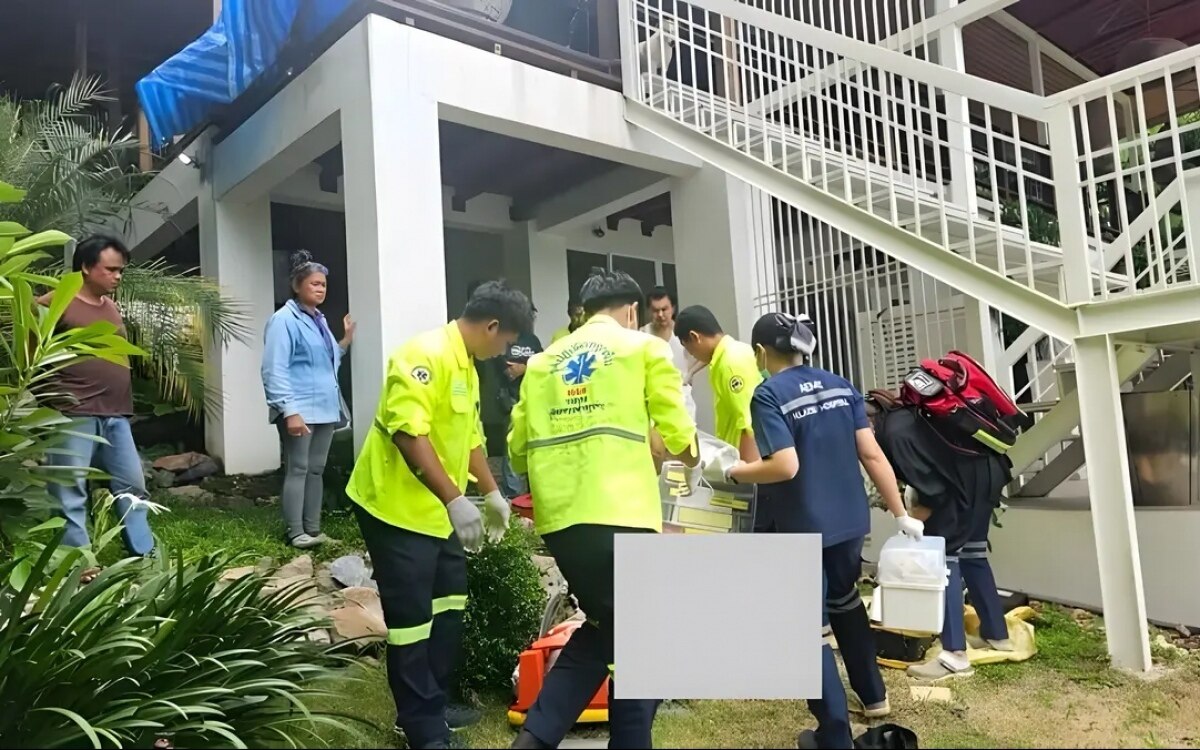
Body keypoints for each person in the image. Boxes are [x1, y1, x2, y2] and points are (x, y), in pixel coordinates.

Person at [507, 270, 699, 750]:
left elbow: (515, 448)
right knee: (645, 634)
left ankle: (534, 739)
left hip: (561, 522)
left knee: (608, 628)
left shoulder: (543, 363)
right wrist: (694, 458)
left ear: (584, 311)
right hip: (624, 515)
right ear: (632, 311)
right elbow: (676, 432)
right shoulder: (644, 349)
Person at [346, 280, 534, 750]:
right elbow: (409, 434)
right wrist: (455, 499)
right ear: (492, 326)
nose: (504, 350)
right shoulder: (423, 355)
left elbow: (469, 438)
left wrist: (491, 494)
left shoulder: (467, 368)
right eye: (507, 340)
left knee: (449, 604)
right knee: (411, 619)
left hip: (437, 511)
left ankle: (435, 698)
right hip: (394, 509)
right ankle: (419, 726)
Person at [726, 312, 923, 749]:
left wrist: (738, 472)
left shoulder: (768, 394)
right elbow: (871, 455)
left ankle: (834, 733)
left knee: (806, 627)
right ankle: (874, 697)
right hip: (850, 520)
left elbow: (784, 464)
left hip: (804, 524)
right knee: (846, 599)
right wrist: (900, 512)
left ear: (760, 352)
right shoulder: (840, 384)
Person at [865, 393, 1014, 682]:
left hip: (959, 488)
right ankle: (997, 635)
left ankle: (954, 657)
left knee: (942, 563)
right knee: (973, 554)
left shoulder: (894, 434)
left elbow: (933, 490)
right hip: (987, 476)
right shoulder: (906, 415)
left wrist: (911, 519)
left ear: (869, 421)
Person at [41, 234, 154, 557]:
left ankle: (143, 555)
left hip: (115, 413)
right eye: (111, 269)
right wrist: (52, 400)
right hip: (73, 412)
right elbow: (30, 353)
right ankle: (76, 562)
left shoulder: (110, 307)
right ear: (87, 267)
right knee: (68, 489)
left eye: (121, 270)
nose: (118, 276)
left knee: (132, 487)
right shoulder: (55, 302)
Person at [261, 251, 355, 549]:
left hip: (324, 408)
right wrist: (289, 411)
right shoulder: (283, 320)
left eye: (323, 284)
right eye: (314, 283)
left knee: (316, 469)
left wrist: (345, 340)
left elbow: (325, 360)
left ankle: (313, 530)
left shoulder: (320, 320)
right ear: (297, 286)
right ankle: (294, 531)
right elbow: (274, 368)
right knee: (298, 468)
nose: (320, 288)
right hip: (299, 408)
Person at [674, 304, 761, 459]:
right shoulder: (733, 351)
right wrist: (691, 373)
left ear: (695, 337)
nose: (693, 356)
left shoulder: (729, 364)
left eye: (690, 349)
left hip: (744, 460)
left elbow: (747, 424)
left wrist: (749, 473)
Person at [640, 286, 698, 420]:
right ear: (649, 311)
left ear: (673, 308)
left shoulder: (684, 331)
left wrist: (690, 373)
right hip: (654, 398)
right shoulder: (642, 334)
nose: (660, 315)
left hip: (682, 397)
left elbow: (708, 352)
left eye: (664, 309)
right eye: (655, 310)